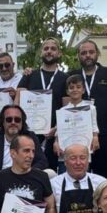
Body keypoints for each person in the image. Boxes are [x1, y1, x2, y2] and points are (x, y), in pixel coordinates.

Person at [67, 40, 107, 179]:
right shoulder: (72, 76)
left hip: (106, 135)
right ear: (78, 56)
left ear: (97, 54)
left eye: (91, 52)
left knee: (105, 177)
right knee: (79, 175)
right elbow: (65, 103)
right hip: (78, 137)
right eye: (83, 53)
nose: (87, 55)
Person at [17, 38, 68, 172]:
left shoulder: (65, 78)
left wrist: (56, 129)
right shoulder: (29, 75)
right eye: (46, 49)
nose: (49, 51)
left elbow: (67, 109)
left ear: (59, 53)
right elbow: (17, 104)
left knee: (50, 173)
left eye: (53, 49)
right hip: (29, 135)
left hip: (53, 135)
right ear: (41, 52)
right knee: (26, 171)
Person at [0, 104, 48, 172]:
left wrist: (27, 173)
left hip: (25, 177)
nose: (13, 122)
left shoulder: (30, 137)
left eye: (17, 119)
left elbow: (42, 162)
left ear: (22, 122)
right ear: (3, 122)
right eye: (9, 119)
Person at [52, 74, 99, 162]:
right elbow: (59, 130)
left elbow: (94, 125)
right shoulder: (62, 111)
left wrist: (96, 137)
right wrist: (55, 142)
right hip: (65, 153)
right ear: (67, 91)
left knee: (81, 173)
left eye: (78, 87)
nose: (75, 90)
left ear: (83, 90)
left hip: (84, 151)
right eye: (71, 87)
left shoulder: (91, 108)